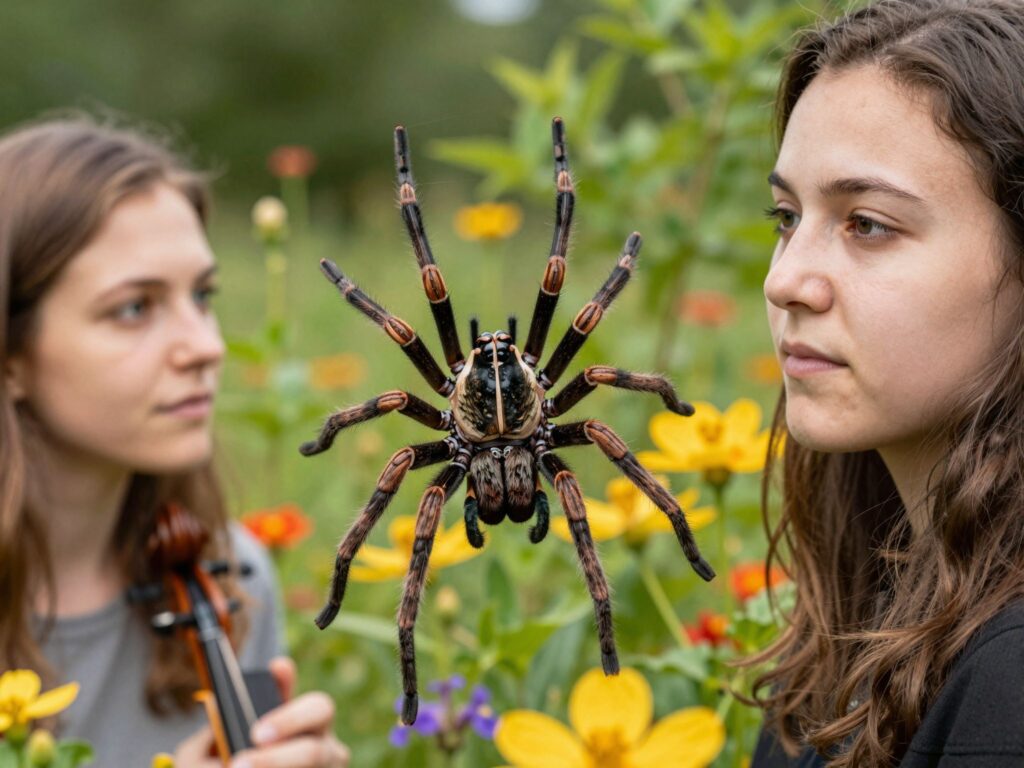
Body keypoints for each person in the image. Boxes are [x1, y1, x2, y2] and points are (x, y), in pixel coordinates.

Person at [0, 115, 350, 767]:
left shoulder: (233, 572)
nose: (208, 347)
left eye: (202, 295)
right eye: (134, 307)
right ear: (11, 355)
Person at [742, 1, 1024, 766]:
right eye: (786, 216)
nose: (787, 279)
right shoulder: (859, 627)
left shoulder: (1009, 682)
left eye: (866, 223)